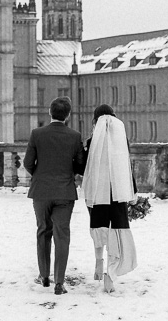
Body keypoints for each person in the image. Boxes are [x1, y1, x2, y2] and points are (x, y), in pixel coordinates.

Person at [23, 97, 86, 296]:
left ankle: (44, 276)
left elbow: (27, 162)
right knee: (62, 236)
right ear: (68, 115)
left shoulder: (37, 134)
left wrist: (40, 175)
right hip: (64, 191)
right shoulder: (74, 136)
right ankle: (59, 282)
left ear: (50, 113)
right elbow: (80, 165)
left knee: (43, 231)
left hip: (41, 191)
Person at [81, 104, 138, 293]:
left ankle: (98, 261)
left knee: (99, 228)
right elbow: (127, 168)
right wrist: (133, 192)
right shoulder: (122, 141)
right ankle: (110, 274)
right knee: (117, 232)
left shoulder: (91, 142)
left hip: (98, 193)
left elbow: (84, 169)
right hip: (119, 193)